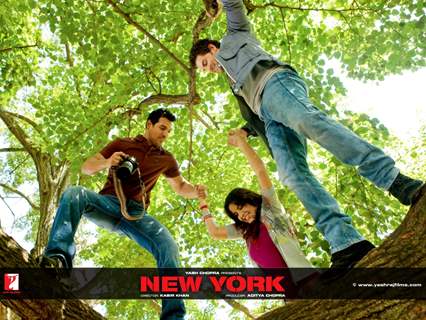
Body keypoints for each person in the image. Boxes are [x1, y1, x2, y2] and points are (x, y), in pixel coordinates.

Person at [189, 0, 425, 269]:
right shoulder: (234, 86)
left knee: (309, 121)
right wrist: (244, 131)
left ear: (212, 48)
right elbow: (254, 117)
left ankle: (396, 181)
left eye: (206, 63)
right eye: (204, 70)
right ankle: (347, 241)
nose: (209, 70)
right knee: (291, 174)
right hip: (268, 117)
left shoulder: (235, 36)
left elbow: (234, 4)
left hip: (276, 84)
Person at [39, 108, 205, 320]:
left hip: (136, 215)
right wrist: (108, 162)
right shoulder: (121, 144)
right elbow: (87, 168)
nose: (165, 134)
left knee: (168, 246)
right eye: (162, 128)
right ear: (149, 124)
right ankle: (58, 262)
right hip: (107, 204)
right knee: (74, 193)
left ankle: (173, 316)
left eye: (169, 131)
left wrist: (196, 190)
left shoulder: (167, 159)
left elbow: (181, 187)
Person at [198, 129, 318, 297]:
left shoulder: (270, 207)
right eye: (236, 215)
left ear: (250, 200)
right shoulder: (245, 231)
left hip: (305, 280)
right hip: (284, 292)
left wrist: (242, 143)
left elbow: (261, 171)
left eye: (240, 208)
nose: (240, 216)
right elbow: (215, 232)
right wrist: (203, 204)